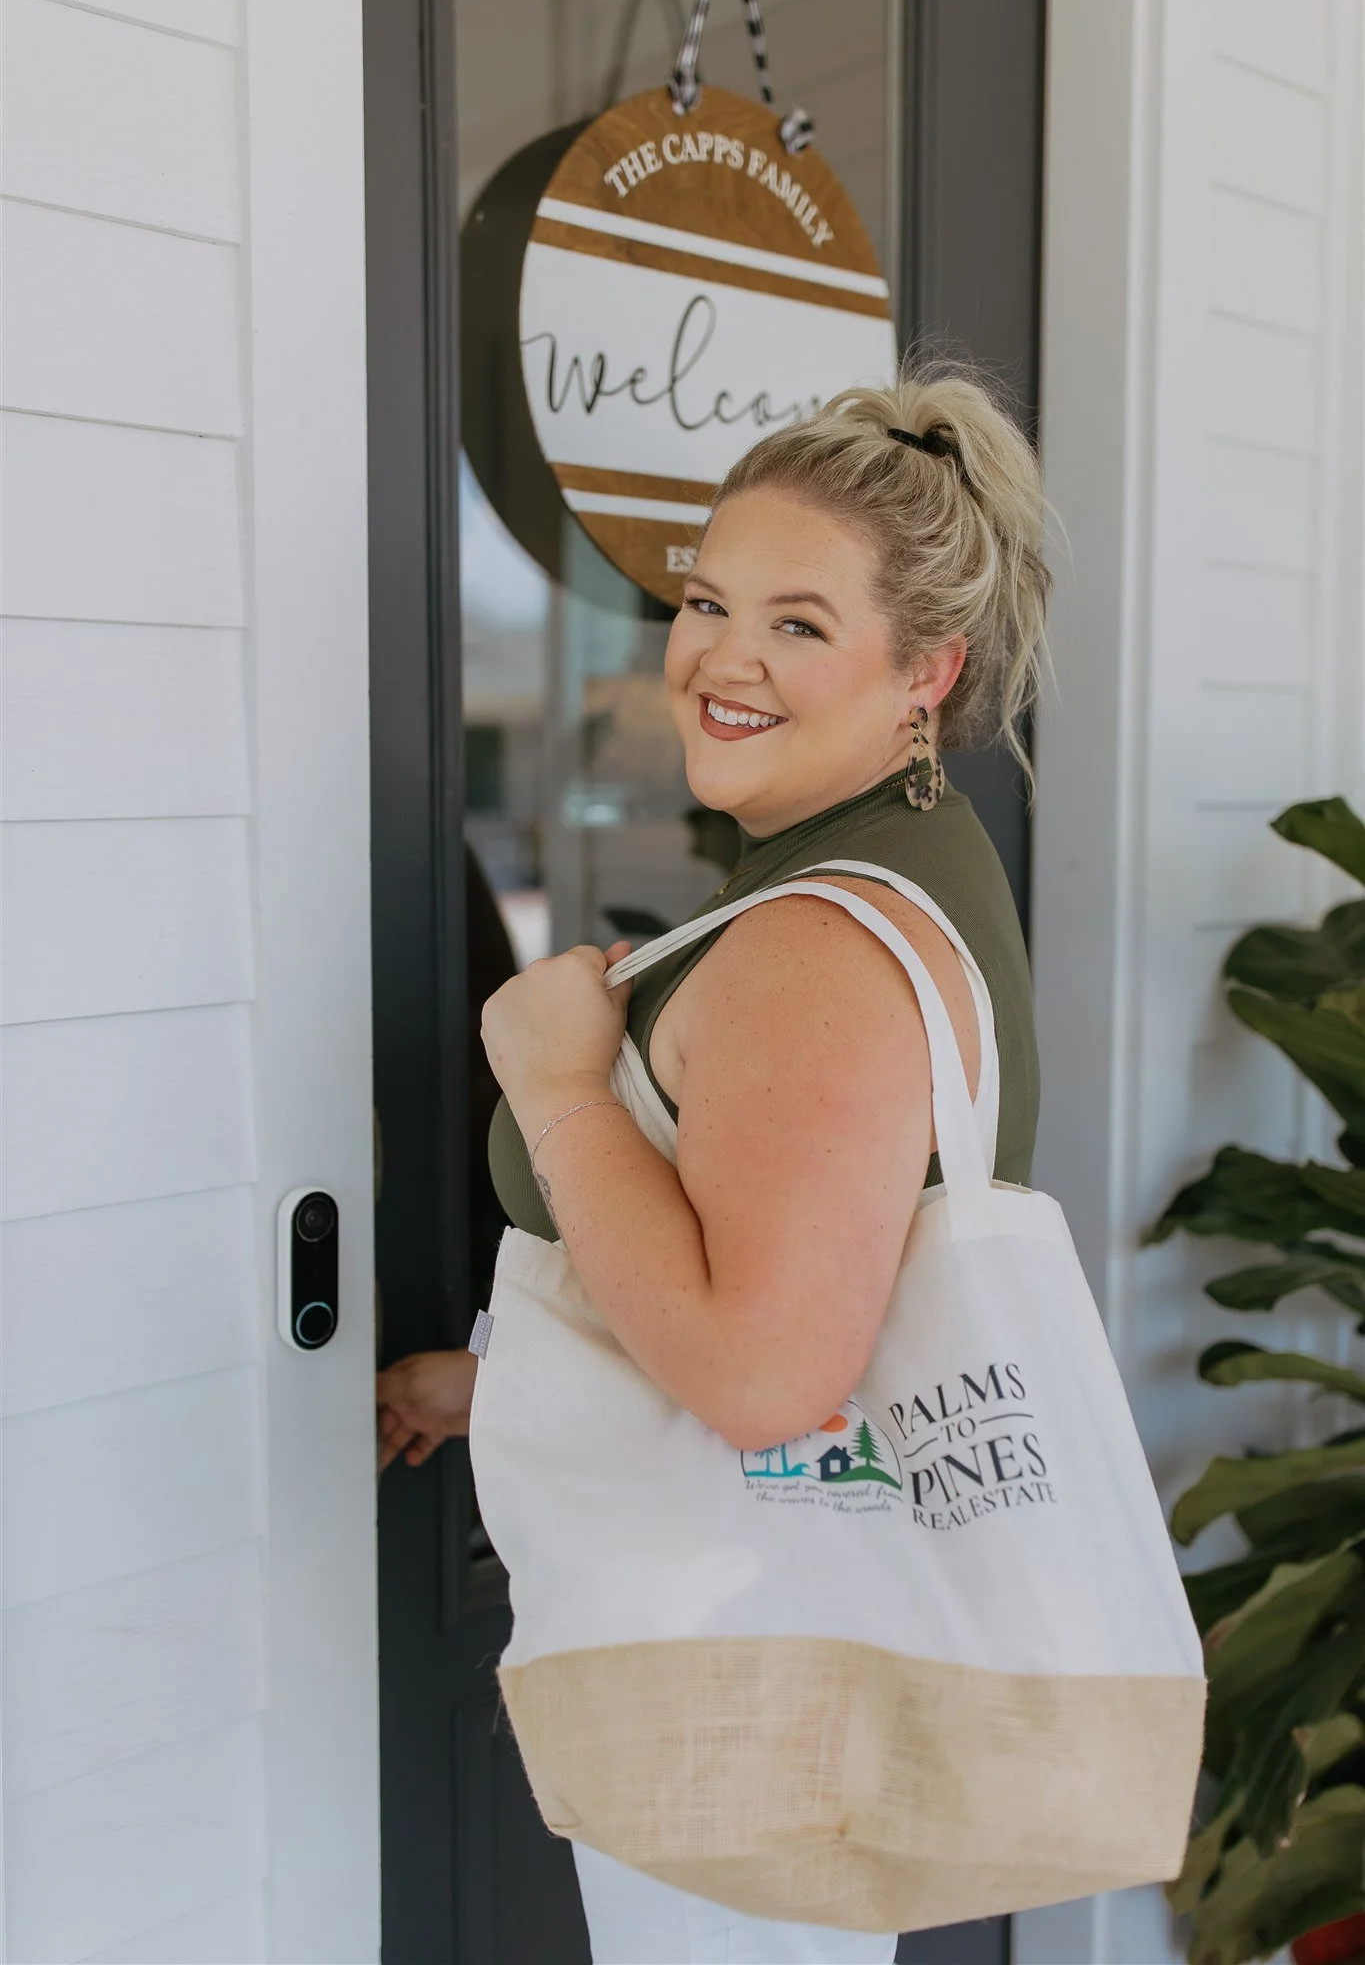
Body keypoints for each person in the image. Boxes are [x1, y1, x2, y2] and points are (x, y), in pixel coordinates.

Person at [378, 370, 1049, 1963]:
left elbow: (761, 1374)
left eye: (801, 624)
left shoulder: (817, 940)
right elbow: (799, 1275)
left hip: (743, 1684)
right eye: (705, 601)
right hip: (792, 1648)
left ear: (926, 672)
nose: (723, 659)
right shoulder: (897, 873)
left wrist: (558, 1091)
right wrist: (476, 1384)